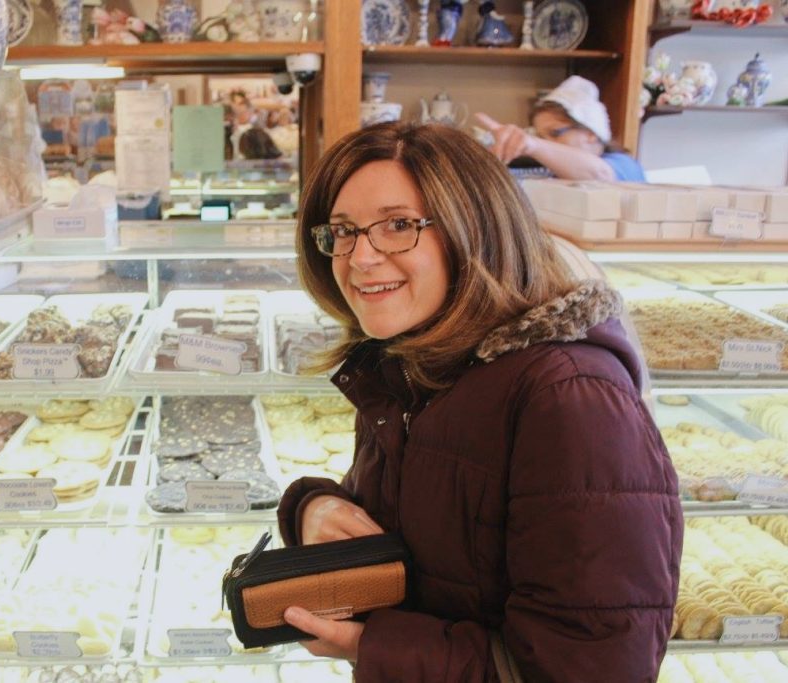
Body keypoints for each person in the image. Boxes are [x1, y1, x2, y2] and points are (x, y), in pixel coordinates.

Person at [277, 122, 682, 681]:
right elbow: (424, 533)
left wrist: (375, 646)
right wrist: (314, 509)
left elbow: (592, 665)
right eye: (343, 230)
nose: (359, 257)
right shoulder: (416, 361)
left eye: (398, 226)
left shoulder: (569, 397)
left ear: (476, 229)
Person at [476, 75, 647, 181]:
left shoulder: (625, 166)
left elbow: (600, 175)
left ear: (591, 133)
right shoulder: (552, 172)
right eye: (541, 137)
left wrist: (532, 145)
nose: (546, 144)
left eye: (555, 133)